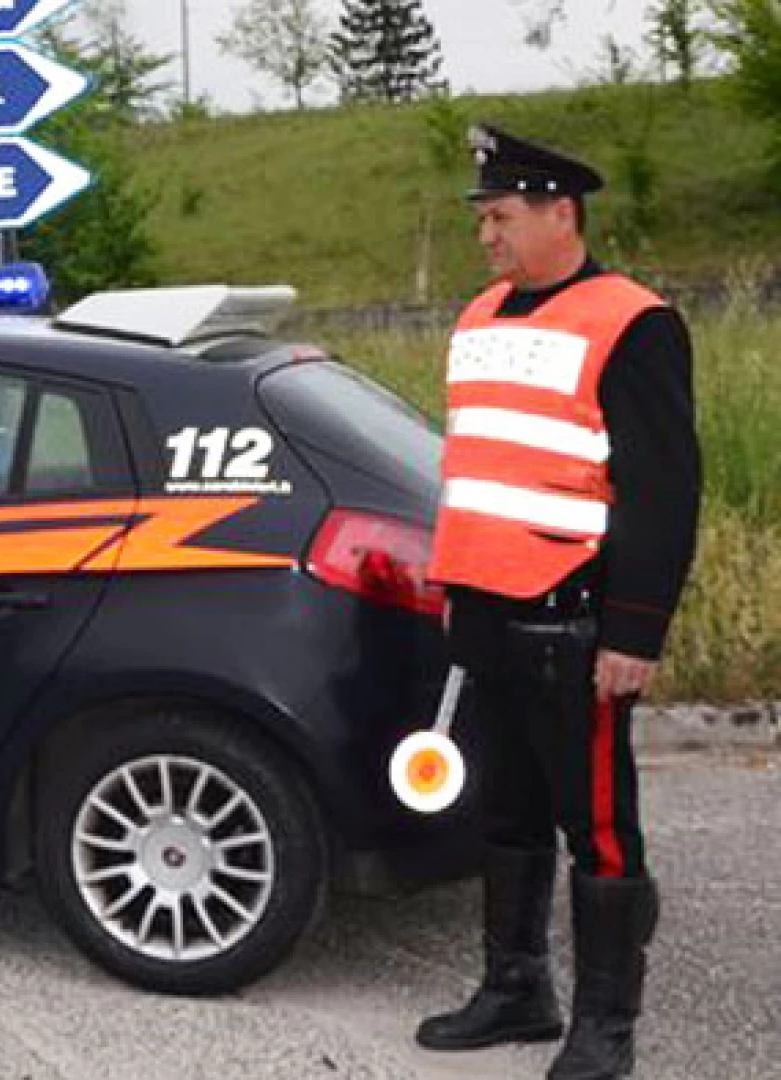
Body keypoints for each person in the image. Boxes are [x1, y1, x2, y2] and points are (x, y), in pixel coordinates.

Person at [414, 125, 701, 1080]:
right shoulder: (481, 318)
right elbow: (481, 468)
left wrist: (635, 631)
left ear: (559, 213)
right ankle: (516, 991)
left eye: (499, 217)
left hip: (573, 618)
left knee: (601, 826)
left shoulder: (633, 321)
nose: (485, 236)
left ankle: (606, 1028)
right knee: (507, 815)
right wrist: (456, 585)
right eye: (483, 219)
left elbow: (663, 489)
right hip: (490, 610)